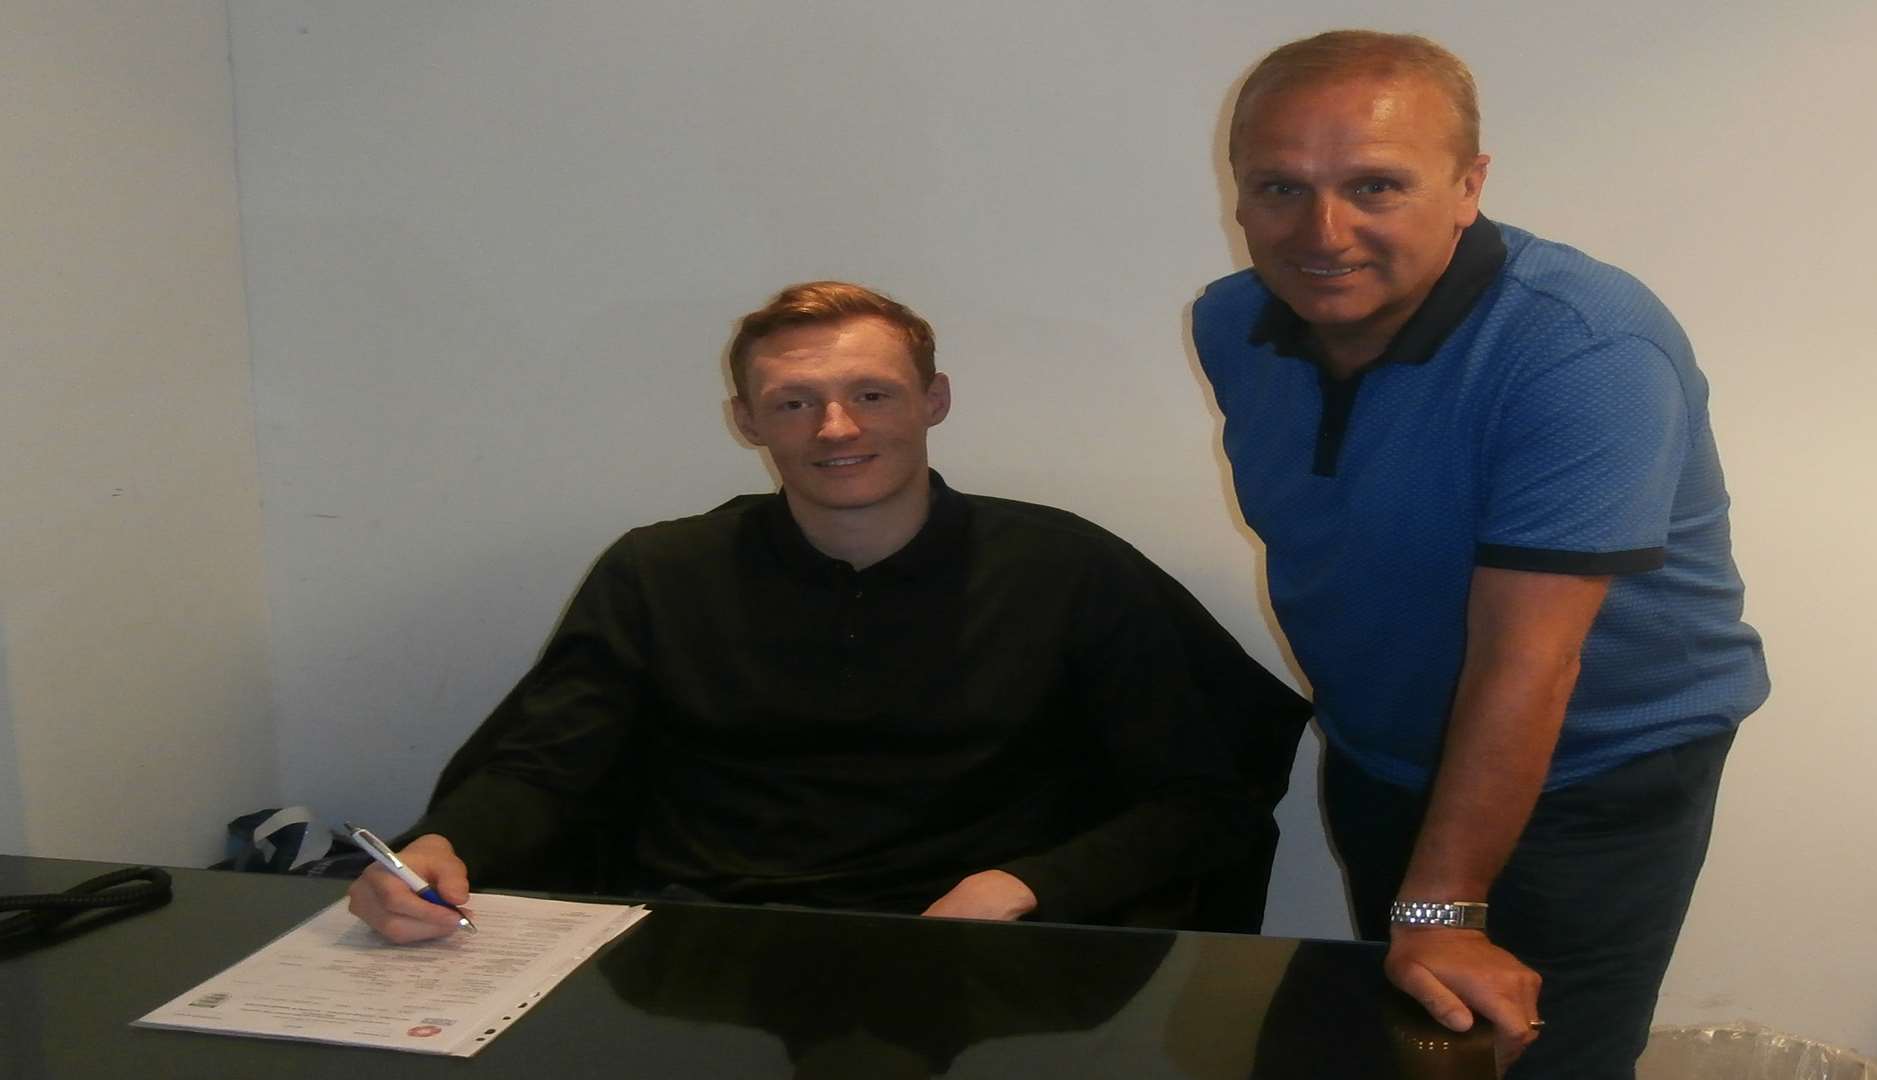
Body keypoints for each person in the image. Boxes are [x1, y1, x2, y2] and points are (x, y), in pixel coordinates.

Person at [350, 281, 1298, 943]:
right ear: (747, 423)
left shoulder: (1067, 569)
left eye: (871, 394)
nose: (835, 429)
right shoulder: (660, 572)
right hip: (700, 948)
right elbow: (545, 769)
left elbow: (1200, 800)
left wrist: (1027, 886)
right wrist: (441, 844)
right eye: (794, 402)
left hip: (976, 948)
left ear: (934, 401)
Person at [1190, 30, 1768, 1078]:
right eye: (1279, 187)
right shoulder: (1235, 325)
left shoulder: (1583, 347)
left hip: (1596, 775)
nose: (1324, 231)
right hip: (1382, 752)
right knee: (1409, 1054)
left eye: (1375, 186)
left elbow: (1527, 660)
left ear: (1468, 186)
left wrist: (1444, 905)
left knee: (1539, 1064)